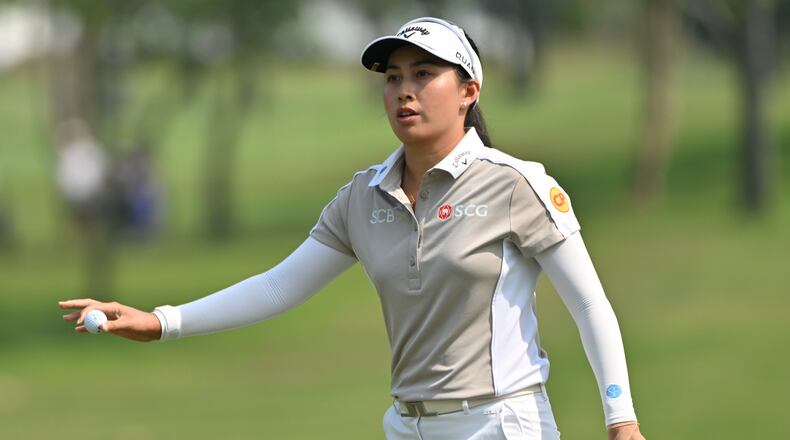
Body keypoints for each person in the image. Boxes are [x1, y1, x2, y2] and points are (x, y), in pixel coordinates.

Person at [59, 17, 646, 440]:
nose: (403, 90)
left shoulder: (516, 184)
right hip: (406, 426)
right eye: (392, 77)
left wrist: (620, 420)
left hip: (499, 424)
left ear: (469, 92)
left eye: (424, 73)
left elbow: (590, 304)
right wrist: (161, 323)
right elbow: (278, 287)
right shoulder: (362, 198)